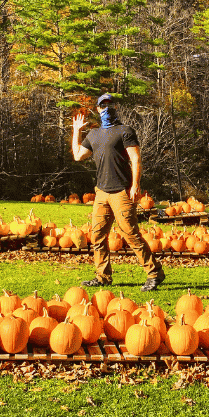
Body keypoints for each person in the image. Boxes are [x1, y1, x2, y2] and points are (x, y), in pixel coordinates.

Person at [71, 93, 165, 291]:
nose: (107, 108)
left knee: (130, 234)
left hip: (121, 191)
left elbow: (136, 159)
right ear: (98, 109)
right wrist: (76, 131)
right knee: (97, 236)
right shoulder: (94, 134)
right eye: (103, 105)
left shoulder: (125, 131)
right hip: (101, 193)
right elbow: (78, 155)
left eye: (110, 104)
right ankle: (102, 277)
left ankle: (154, 273)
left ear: (115, 107)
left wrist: (135, 185)